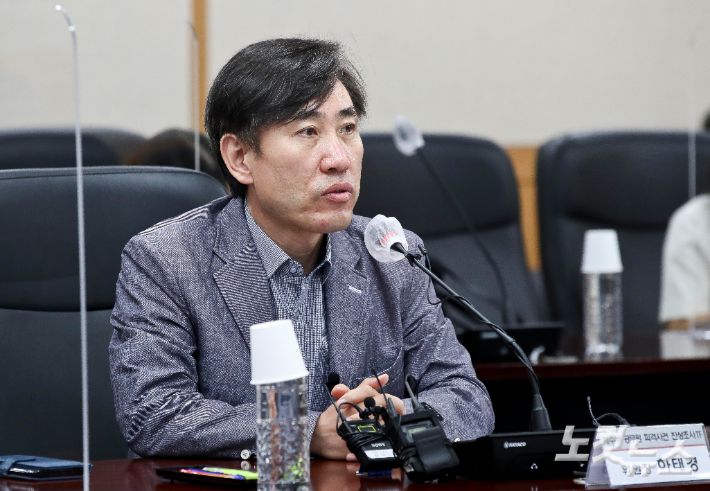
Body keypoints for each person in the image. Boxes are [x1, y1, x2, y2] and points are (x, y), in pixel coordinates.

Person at [109, 38, 494, 459]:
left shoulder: (392, 255)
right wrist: (303, 431)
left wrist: (400, 419)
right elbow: (154, 413)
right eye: (308, 132)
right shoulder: (166, 259)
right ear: (240, 157)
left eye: (348, 129)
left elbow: (466, 398)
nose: (338, 158)